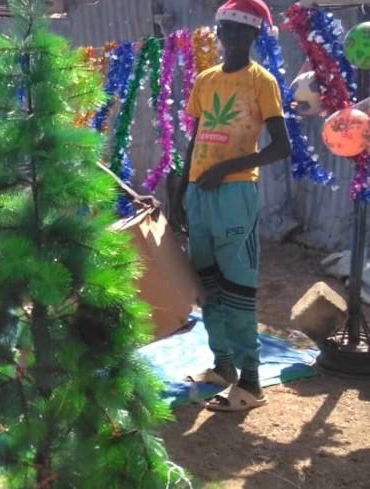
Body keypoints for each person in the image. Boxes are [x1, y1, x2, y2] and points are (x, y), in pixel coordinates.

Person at [175, 0, 291, 412]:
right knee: (207, 285)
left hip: (235, 194)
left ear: (255, 35)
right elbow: (196, 139)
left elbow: (281, 146)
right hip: (198, 193)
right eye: (226, 30)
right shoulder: (205, 80)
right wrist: (178, 196)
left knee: (238, 286)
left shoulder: (262, 82)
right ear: (218, 32)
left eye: (242, 31)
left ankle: (252, 383)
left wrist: (227, 169)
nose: (232, 38)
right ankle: (223, 366)